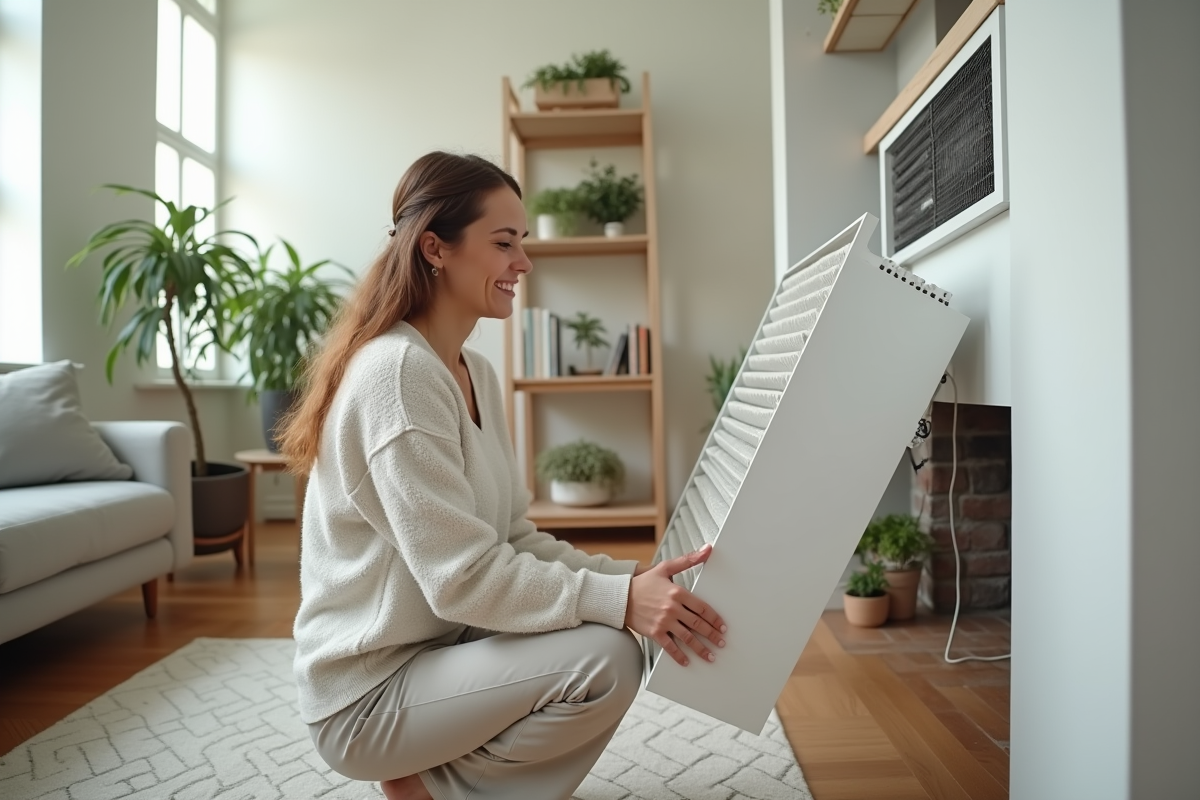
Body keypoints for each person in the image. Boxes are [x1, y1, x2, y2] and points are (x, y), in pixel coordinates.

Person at [279, 151, 727, 800]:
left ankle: (432, 783)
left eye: (523, 243)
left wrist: (630, 581)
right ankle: (433, 791)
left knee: (607, 631)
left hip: (435, 652)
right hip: (367, 694)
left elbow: (512, 537)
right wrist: (622, 604)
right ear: (436, 248)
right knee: (605, 659)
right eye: (504, 243)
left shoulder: (473, 374)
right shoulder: (397, 375)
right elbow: (459, 579)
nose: (524, 263)